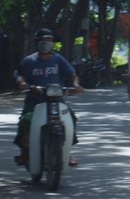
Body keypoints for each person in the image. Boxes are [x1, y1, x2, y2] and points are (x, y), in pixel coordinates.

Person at [13, 28, 83, 167]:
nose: (45, 43)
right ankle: (25, 152)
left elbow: (72, 74)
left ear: (53, 43)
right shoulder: (29, 61)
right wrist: (24, 84)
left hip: (57, 100)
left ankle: (66, 151)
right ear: (37, 42)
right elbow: (19, 75)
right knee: (25, 122)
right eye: (42, 40)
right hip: (34, 100)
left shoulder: (58, 59)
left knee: (71, 118)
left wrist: (76, 85)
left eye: (49, 40)